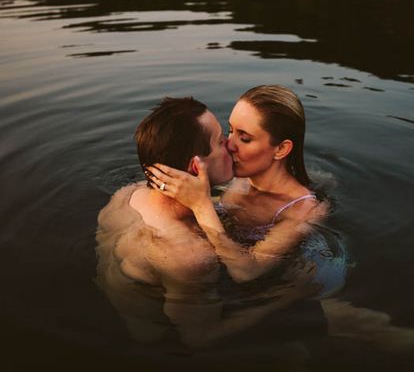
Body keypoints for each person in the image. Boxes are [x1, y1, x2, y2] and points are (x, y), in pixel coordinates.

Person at [95, 96, 318, 351]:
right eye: (223, 141)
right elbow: (200, 338)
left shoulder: (127, 195)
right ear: (196, 166)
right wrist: (285, 296)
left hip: (123, 316)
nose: (232, 147)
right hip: (159, 343)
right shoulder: (189, 257)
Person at [146, 85, 345, 294]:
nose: (229, 145)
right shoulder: (241, 179)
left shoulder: (302, 209)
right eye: (230, 130)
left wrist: (201, 204)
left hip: (305, 281)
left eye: (245, 138)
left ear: (281, 149)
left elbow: (246, 272)